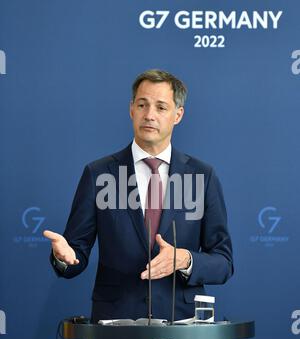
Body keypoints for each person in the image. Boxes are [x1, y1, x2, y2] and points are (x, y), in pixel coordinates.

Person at [44, 69, 233, 324]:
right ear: (131, 109)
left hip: (183, 328)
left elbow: (223, 262)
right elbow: (76, 252)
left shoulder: (203, 176)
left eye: (161, 107)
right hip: (115, 326)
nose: (150, 115)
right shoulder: (98, 174)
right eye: (142, 104)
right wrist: (64, 258)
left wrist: (185, 259)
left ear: (178, 115)